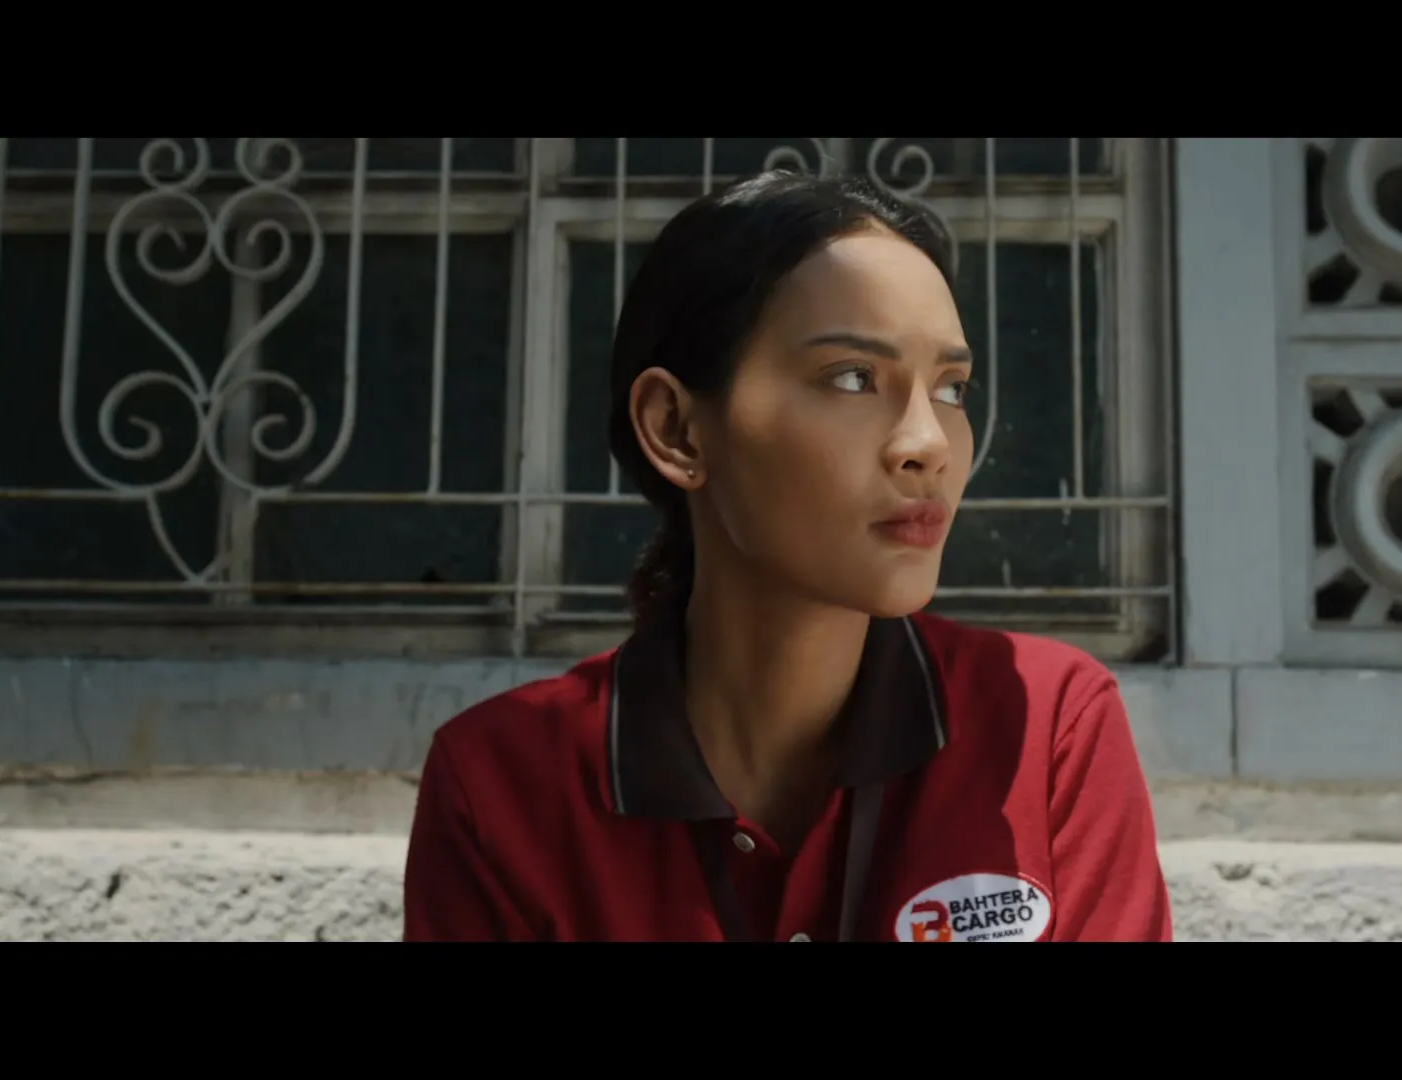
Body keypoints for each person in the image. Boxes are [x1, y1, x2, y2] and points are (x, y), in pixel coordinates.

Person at [402, 169, 1172, 942]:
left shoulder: (1045, 726)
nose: (928, 444)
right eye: (852, 377)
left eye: (951, 389)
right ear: (675, 429)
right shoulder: (500, 788)